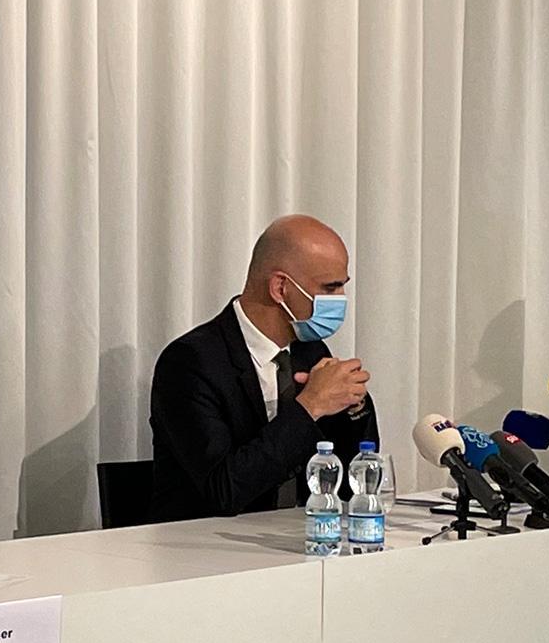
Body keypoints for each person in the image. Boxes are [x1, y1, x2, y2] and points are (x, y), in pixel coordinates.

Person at [149, 214, 379, 521]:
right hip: (207, 551)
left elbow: (352, 481)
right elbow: (224, 491)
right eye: (330, 287)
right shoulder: (190, 362)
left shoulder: (309, 351)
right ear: (280, 288)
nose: (340, 300)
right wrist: (309, 406)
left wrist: (352, 405)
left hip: (297, 539)